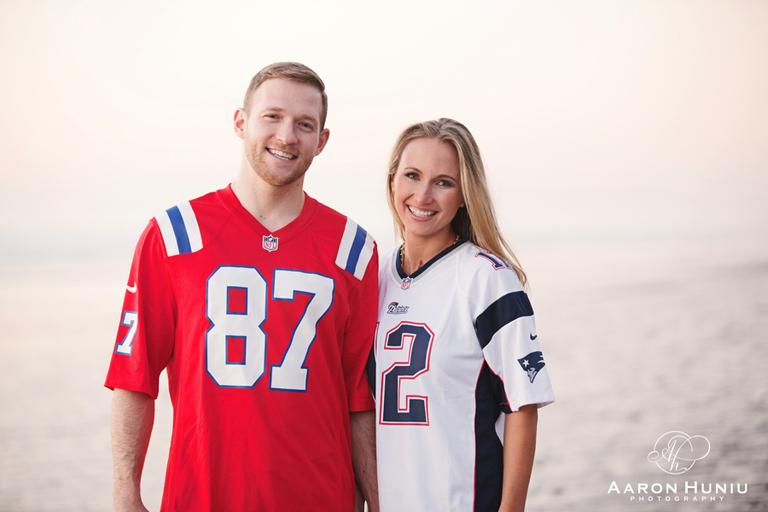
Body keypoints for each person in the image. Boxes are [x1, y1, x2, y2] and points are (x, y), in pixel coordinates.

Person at [106, 62, 379, 512]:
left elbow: (360, 399)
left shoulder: (354, 250)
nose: (287, 136)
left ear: (321, 141)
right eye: (272, 116)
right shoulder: (174, 235)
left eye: (304, 124)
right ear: (241, 122)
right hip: (202, 498)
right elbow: (133, 378)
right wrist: (124, 495)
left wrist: (378, 500)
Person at [369, 118, 554, 512]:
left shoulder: (489, 281)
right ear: (392, 182)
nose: (423, 195)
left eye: (443, 182)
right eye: (412, 176)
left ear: (465, 194)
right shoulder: (371, 279)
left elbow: (523, 406)